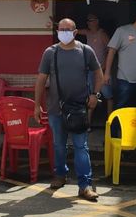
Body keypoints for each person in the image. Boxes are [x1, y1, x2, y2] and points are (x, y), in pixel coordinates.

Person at [34, 18, 103, 201]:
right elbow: (41, 80)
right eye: (61, 29)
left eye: (67, 29)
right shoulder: (50, 52)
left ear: (75, 32)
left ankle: (85, 185)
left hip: (79, 109)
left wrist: (95, 94)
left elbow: (99, 74)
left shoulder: (85, 51)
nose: (63, 32)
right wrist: (37, 105)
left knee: (81, 146)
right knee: (59, 145)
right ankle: (60, 174)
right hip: (56, 109)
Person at [103, 11, 136, 110]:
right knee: (122, 107)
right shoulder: (122, 31)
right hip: (125, 77)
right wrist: (107, 73)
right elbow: (111, 52)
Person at [77, 13, 113, 116]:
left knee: (108, 95)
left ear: (97, 21)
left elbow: (111, 51)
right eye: (88, 21)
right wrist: (57, 24)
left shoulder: (102, 34)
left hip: (101, 70)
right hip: (89, 70)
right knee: (91, 95)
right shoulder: (87, 32)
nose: (89, 23)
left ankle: (110, 120)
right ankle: (88, 122)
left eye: (91, 20)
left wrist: (105, 67)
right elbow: (74, 30)